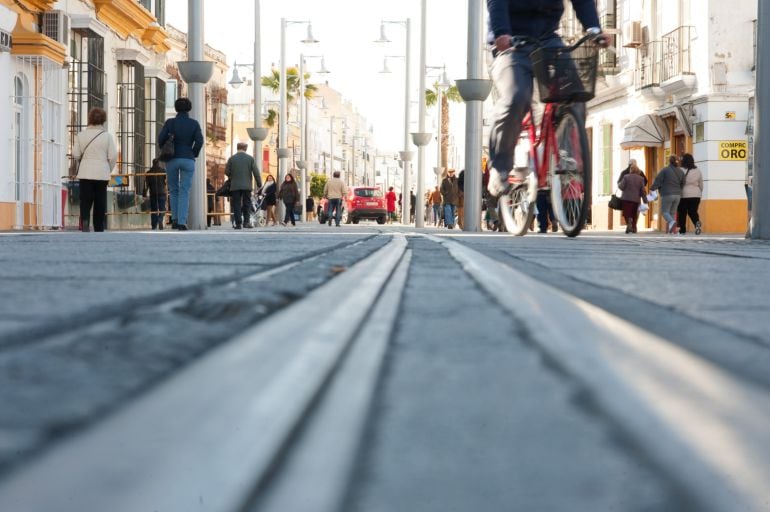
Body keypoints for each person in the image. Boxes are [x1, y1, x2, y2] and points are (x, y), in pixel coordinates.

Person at [486, 0, 608, 198]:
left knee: (575, 95)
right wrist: (501, 33)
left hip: (548, 40)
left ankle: (567, 156)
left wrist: (594, 29)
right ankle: (499, 168)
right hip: (511, 44)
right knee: (517, 97)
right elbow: (497, 3)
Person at [158, 97, 204, 230]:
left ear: (176, 108)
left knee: (173, 189)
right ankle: (182, 222)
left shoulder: (170, 123)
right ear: (189, 108)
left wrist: (165, 147)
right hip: (188, 159)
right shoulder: (194, 124)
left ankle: (175, 219)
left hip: (172, 159)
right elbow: (199, 141)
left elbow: (160, 139)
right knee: (185, 190)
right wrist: (193, 152)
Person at [73, 107, 117, 232]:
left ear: (89, 119)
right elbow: (113, 156)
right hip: (101, 173)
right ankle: (99, 226)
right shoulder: (107, 137)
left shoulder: (81, 135)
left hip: (85, 172)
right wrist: (108, 168)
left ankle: (85, 221)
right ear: (103, 120)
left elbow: (76, 154)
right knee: (100, 201)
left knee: (85, 200)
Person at [225, 142, 261, 229]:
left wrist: (232, 175)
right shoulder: (250, 159)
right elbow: (256, 172)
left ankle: (238, 224)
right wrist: (259, 184)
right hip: (247, 186)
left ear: (237, 148)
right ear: (245, 149)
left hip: (235, 186)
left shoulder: (231, 159)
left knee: (236, 204)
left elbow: (226, 172)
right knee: (247, 204)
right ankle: (246, 223)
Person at [650, 155, 685, 234]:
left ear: (669, 161)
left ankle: (672, 222)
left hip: (667, 194)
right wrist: (679, 190)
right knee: (672, 212)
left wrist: (652, 189)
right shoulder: (681, 171)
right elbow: (683, 183)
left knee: (664, 211)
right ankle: (672, 230)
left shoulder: (665, 170)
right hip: (677, 195)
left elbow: (658, 181)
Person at [677, 153, 703, 235]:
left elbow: (678, 182)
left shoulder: (680, 170)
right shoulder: (698, 170)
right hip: (696, 194)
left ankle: (682, 229)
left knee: (682, 212)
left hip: (683, 195)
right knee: (693, 211)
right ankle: (696, 223)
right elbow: (701, 184)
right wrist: (699, 192)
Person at [618, 164, 647, 234]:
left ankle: (629, 224)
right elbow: (642, 191)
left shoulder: (626, 177)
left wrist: (619, 184)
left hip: (626, 199)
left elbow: (621, 187)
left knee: (627, 214)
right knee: (634, 214)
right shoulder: (641, 179)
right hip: (636, 199)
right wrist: (645, 200)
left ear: (630, 170)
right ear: (638, 171)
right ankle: (633, 228)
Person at [146, 158, 167, 230]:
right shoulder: (163, 171)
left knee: (154, 209)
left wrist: (144, 193)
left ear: (152, 163)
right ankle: (160, 218)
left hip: (153, 193)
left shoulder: (148, 172)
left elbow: (146, 184)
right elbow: (166, 180)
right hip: (161, 192)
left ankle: (154, 225)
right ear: (158, 163)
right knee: (162, 208)